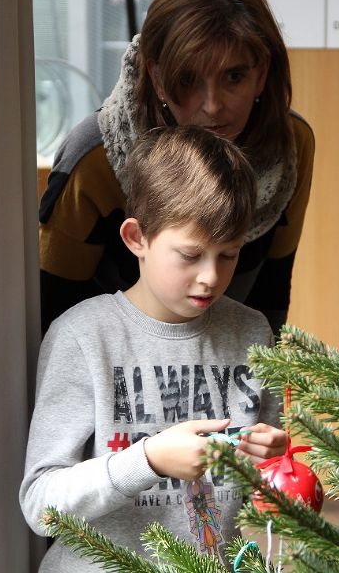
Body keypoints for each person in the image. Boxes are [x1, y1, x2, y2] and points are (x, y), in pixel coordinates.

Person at [20, 126, 288, 571]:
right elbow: (40, 504)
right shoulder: (84, 336)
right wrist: (147, 461)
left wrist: (273, 467)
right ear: (136, 238)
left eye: (229, 255)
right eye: (190, 255)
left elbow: (261, 498)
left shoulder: (252, 332)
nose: (211, 277)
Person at [38, 0, 314, 335]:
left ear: (261, 74)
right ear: (157, 77)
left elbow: (272, 293)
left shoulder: (291, 146)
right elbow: (52, 316)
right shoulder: (93, 158)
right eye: (188, 79)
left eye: (234, 77)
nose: (213, 106)